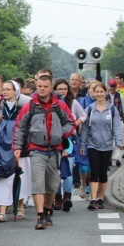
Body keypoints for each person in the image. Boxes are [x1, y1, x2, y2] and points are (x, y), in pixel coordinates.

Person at [13, 75, 75, 230]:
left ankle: (47, 210)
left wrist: (60, 133)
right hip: (36, 149)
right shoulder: (30, 105)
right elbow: (20, 127)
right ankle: (40, 216)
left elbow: (71, 123)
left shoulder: (59, 105)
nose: (42, 89)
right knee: (38, 183)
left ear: (51, 87)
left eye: (45, 86)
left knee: (52, 186)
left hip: (55, 149)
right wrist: (18, 147)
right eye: (39, 86)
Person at [0, 81, 29, 221]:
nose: (4, 92)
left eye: (8, 89)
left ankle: (21, 207)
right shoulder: (0, 106)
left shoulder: (23, 106)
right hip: (2, 146)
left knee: (20, 175)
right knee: (3, 177)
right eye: (3, 89)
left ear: (15, 91)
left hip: (19, 145)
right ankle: (2, 211)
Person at [80, 82, 124, 210]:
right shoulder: (89, 109)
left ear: (105, 93)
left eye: (101, 92)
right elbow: (85, 129)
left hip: (107, 144)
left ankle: (101, 197)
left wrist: (119, 142)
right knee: (94, 171)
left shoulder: (112, 109)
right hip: (92, 144)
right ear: (93, 93)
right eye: (96, 92)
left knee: (103, 172)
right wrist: (82, 145)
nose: (99, 94)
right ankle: (93, 199)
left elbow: (116, 126)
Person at [53, 78, 86, 211]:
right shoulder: (53, 103)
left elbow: (83, 116)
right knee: (55, 170)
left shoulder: (73, 102)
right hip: (55, 139)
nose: (62, 91)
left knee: (68, 169)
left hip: (69, 139)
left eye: (65, 89)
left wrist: (74, 124)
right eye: (60, 89)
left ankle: (67, 196)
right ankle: (57, 197)